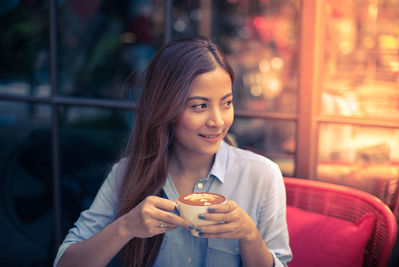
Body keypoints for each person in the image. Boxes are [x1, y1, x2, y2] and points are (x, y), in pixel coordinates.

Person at [54, 36, 292, 267]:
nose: (218, 121)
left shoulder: (262, 175)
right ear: (165, 108)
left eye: (226, 103)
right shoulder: (127, 172)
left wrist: (249, 236)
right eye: (200, 106)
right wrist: (125, 227)